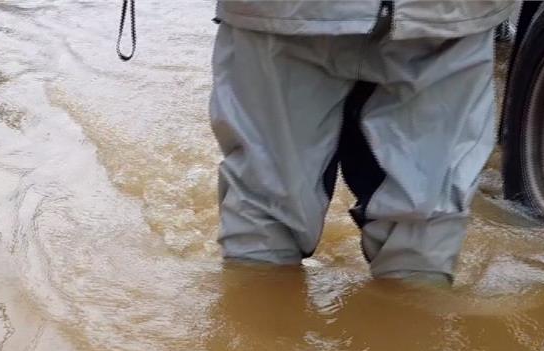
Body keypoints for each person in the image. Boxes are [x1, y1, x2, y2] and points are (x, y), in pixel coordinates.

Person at [209, 1, 515, 284]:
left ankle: (253, 329)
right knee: (423, 226)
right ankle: (414, 333)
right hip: (446, 15)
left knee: (263, 212)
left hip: (283, 12)